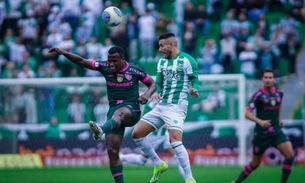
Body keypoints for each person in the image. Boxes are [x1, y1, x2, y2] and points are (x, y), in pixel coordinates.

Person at [48, 46, 156, 183]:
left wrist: (147, 94)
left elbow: (152, 84)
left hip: (131, 109)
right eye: (109, 60)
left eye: (115, 61)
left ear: (123, 59)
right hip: (113, 111)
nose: (111, 63)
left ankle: (101, 129)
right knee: (112, 151)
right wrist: (64, 53)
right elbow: (82, 61)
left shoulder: (135, 70)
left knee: (120, 114)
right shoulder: (104, 66)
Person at [131, 32, 200, 183]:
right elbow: (159, 82)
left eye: (162, 45)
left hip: (176, 107)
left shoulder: (187, 60)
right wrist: (154, 93)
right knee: (137, 134)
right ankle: (158, 164)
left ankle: (189, 179)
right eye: (159, 45)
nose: (160, 48)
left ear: (173, 45)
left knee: (175, 141)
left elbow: (196, 80)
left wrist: (194, 89)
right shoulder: (161, 62)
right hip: (161, 105)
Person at [231, 69, 294, 183]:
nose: (268, 80)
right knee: (255, 164)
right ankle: (236, 182)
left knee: (290, 155)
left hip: (276, 132)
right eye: (266, 77)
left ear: (274, 80)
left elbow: (279, 106)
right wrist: (259, 121)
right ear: (262, 79)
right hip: (262, 134)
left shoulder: (279, 93)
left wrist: (279, 120)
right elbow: (247, 113)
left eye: (270, 77)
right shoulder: (258, 95)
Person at [120, 101, 184, 179]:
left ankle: (188, 178)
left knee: (178, 155)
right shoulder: (152, 103)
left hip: (165, 135)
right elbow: (147, 116)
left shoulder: (167, 97)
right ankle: (120, 157)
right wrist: (163, 122)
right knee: (142, 160)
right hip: (154, 136)